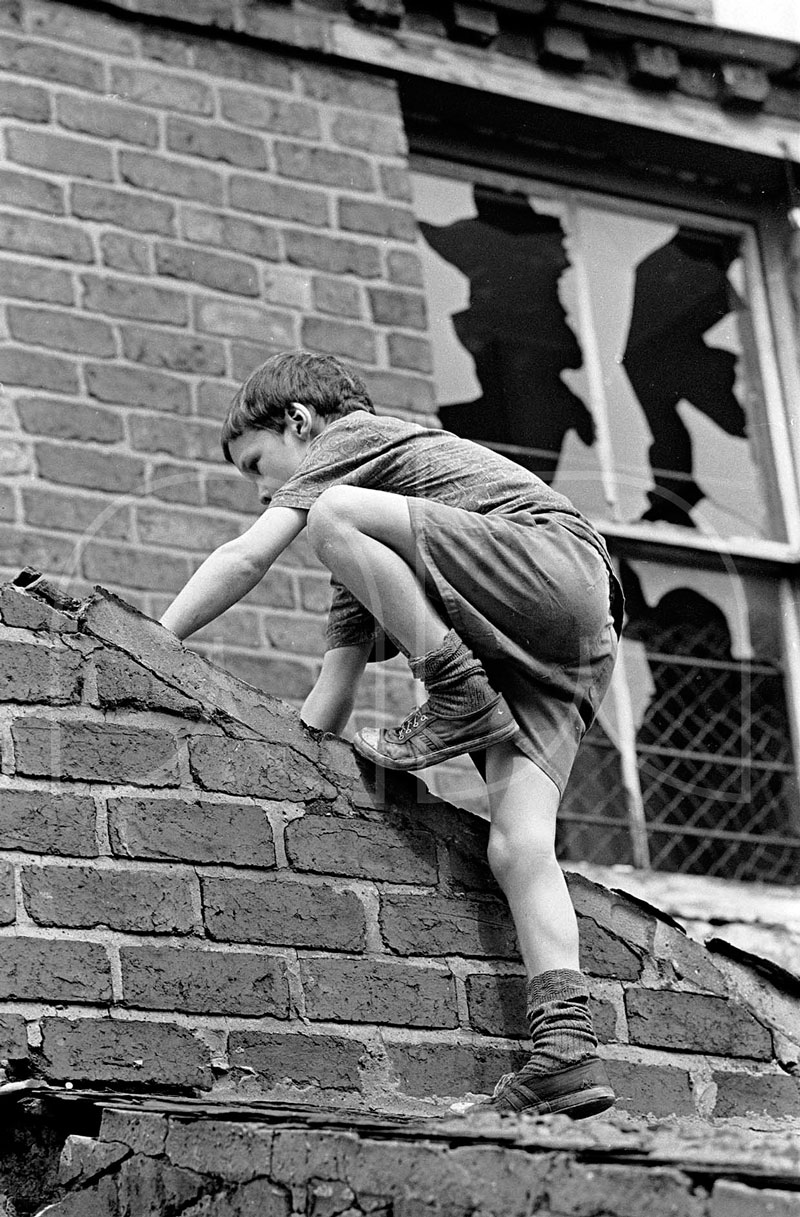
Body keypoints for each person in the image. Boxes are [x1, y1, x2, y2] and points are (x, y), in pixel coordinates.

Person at [160, 351, 624, 1118]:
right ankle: (566, 1049)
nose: (265, 488)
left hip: (555, 562)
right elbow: (330, 698)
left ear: (301, 423)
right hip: (567, 646)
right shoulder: (368, 559)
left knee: (333, 512)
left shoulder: (349, 451)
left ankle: (454, 691)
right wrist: (289, 780)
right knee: (517, 845)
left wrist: (157, 639)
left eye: (257, 464)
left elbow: (246, 556)